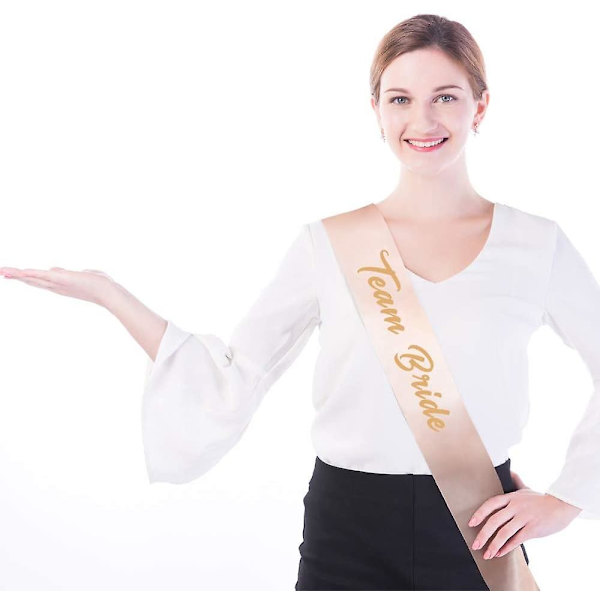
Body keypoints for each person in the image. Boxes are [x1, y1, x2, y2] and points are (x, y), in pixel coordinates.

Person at [0, 12, 598, 591]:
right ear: (376, 109)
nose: (422, 118)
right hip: (349, 528)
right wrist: (110, 294)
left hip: (481, 522)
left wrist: (567, 500)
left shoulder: (535, 244)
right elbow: (234, 376)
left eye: (445, 96)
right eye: (400, 98)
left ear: (480, 106)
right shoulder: (329, 245)